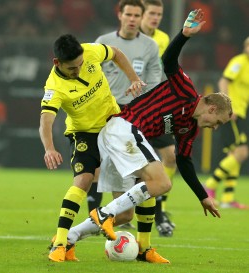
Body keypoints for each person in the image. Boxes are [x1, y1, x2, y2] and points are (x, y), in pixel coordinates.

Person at [67, 9, 232, 264]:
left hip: (127, 138)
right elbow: (169, 61)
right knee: (162, 183)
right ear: (211, 108)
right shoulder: (187, 90)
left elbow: (185, 162)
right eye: (218, 121)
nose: (215, 127)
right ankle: (106, 216)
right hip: (123, 126)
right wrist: (184, 35)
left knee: (125, 216)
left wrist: (202, 196)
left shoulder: (191, 127)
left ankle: (68, 238)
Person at [39, 33, 145, 262]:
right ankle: (59, 242)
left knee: (127, 211)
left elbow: (116, 53)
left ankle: (73, 236)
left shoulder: (90, 51)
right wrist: (49, 148)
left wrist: (133, 78)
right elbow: (45, 121)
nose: (77, 70)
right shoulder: (54, 87)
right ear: (57, 63)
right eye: (71, 68)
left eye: (80, 65)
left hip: (114, 126)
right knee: (84, 180)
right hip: (84, 133)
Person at [87, 0, 166, 262]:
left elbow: (156, 81)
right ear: (120, 15)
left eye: (136, 15)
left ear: (141, 18)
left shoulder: (150, 46)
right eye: (128, 14)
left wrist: (145, 99)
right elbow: (91, 78)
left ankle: (145, 246)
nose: (132, 19)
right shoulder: (104, 41)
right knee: (123, 206)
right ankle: (72, 232)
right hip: (110, 118)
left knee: (149, 182)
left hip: (138, 118)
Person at [140, 0, 176, 237]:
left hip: (157, 107)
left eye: (159, 14)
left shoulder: (162, 38)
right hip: (132, 108)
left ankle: (160, 209)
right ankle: (119, 212)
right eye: (152, 13)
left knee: (171, 158)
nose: (156, 18)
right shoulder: (129, 38)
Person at [204, 36, 249, 209]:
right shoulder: (239, 62)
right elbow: (223, 80)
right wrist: (227, 106)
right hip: (234, 112)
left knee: (235, 154)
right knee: (242, 152)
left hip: (242, 112)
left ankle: (228, 198)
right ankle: (210, 184)